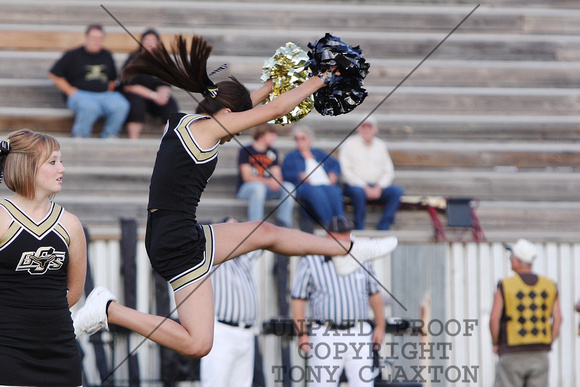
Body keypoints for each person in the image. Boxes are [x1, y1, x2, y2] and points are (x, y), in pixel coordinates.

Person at [72, 34, 398, 359]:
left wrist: (273, 83)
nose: (235, 136)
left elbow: (248, 107)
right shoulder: (209, 129)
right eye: (237, 126)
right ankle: (109, 309)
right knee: (198, 343)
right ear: (226, 112)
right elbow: (276, 110)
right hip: (176, 240)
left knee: (266, 232)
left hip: (175, 232)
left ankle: (348, 250)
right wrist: (322, 77)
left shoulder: (192, 122)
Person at [0, 129, 87, 386]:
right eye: (53, 162)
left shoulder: (70, 224)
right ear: (26, 166)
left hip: (61, 352)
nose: (62, 168)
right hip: (7, 351)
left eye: (61, 160)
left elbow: (74, 291)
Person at [291, 215, 386, 387]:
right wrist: (302, 333)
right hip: (326, 331)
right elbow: (298, 298)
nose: (344, 241)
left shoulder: (361, 257)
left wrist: (380, 325)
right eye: (339, 236)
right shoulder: (311, 260)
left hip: (358, 331)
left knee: (363, 383)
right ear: (329, 237)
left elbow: (374, 293)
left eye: (346, 235)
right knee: (323, 383)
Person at [489, 239, 562, 387]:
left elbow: (494, 318)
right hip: (540, 353)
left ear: (518, 260)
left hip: (511, 352)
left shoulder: (506, 285)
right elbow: (558, 319)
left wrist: (496, 343)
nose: (510, 259)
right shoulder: (549, 285)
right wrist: (548, 341)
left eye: (512, 256)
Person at [200, 216, 263, 387]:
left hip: (247, 333)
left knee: (242, 383)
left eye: (238, 228)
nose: (235, 233)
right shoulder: (215, 256)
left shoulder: (245, 258)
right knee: (216, 382)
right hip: (222, 331)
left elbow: (262, 237)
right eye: (230, 228)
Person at [49, 24, 130, 138]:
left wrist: (107, 91)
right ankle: (80, 135)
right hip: (81, 94)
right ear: (86, 37)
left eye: (100, 38)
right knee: (90, 107)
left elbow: (112, 78)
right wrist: (70, 91)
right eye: (93, 38)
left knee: (121, 104)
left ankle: (110, 135)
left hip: (104, 94)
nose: (96, 41)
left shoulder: (107, 55)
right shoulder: (72, 54)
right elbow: (54, 74)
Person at [339, 117, 403, 230]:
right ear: (358, 128)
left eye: (369, 127)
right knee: (358, 192)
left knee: (396, 191)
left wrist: (380, 186)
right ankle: (359, 226)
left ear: (375, 129)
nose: (366, 130)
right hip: (355, 187)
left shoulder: (380, 145)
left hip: (377, 187)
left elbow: (388, 171)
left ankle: (384, 227)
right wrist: (364, 187)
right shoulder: (348, 144)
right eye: (364, 127)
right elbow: (346, 172)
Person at [282, 125, 344, 231]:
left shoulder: (318, 153)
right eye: (296, 138)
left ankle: (341, 223)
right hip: (306, 185)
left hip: (325, 183)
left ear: (309, 140)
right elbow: (284, 173)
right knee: (316, 193)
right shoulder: (291, 156)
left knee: (334, 191)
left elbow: (335, 164)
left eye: (302, 138)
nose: (299, 141)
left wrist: (333, 173)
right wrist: (299, 175)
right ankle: (331, 226)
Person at [120, 28, 179, 139]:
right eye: (146, 40)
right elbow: (129, 86)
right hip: (136, 95)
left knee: (170, 103)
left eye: (153, 40)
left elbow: (166, 84)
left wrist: (163, 95)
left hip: (155, 98)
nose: (149, 43)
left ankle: (170, 139)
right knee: (137, 103)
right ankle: (134, 139)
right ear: (141, 42)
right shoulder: (133, 58)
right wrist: (153, 95)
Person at [236, 123, 294, 227]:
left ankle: (284, 224)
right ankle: (256, 226)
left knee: (289, 187)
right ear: (262, 135)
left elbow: (277, 174)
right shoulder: (246, 151)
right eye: (271, 134)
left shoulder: (273, 152)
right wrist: (268, 182)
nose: (274, 137)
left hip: (266, 189)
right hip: (247, 189)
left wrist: (276, 182)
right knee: (259, 188)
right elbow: (247, 177)